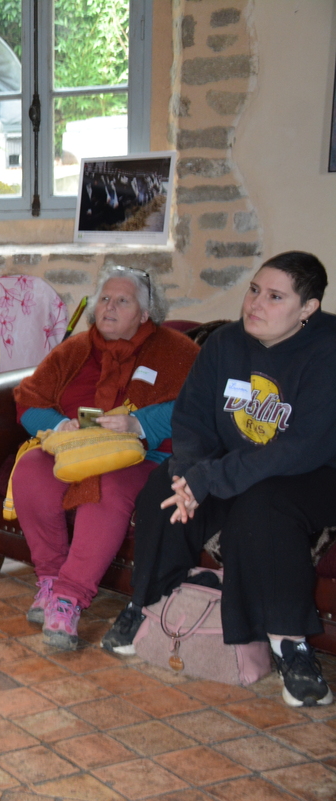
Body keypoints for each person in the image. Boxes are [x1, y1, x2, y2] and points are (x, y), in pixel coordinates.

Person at [100, 252, 336, 708]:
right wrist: (189, 477)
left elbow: (303, 445)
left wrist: (213, 477)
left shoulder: (328, 350)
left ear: (308, 309)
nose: (255, 304)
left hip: (314, 473)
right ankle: (146, 603)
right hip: (232, 465)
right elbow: (191, 422)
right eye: (253, 290)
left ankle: (290, 643)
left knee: (264, 505)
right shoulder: (225, 344)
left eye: (274, 297)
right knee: (161, 489)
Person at [11, 266, 198, 649]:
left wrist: (140, 423)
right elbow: (28, 399)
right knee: (30, 470)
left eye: (122, 301)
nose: (108, 307)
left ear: (145, 314)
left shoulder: (179, 351)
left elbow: (198, 408)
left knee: (106, 487)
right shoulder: (76, 349)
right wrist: (58, 426)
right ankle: (49, 578)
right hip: (75, 451)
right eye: (105, 299)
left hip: (142, 457)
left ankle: (69, 597)